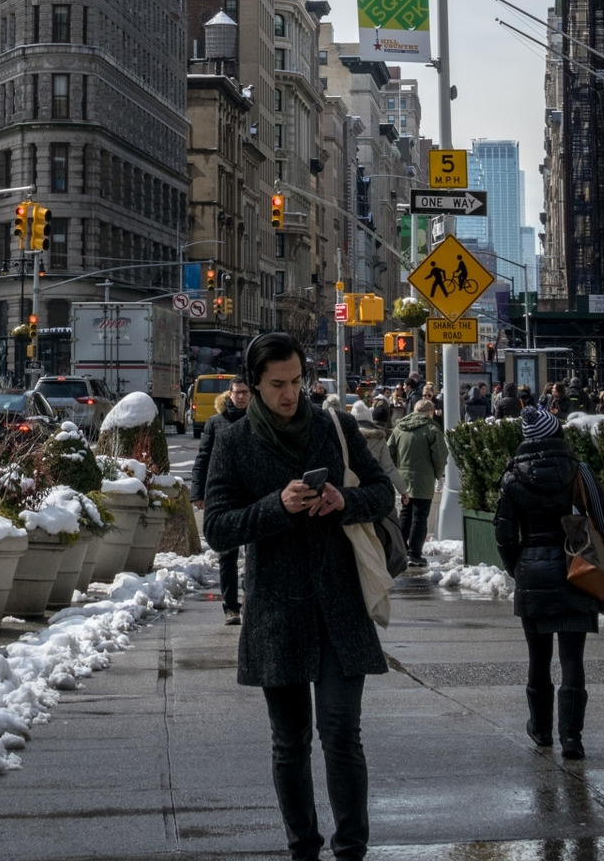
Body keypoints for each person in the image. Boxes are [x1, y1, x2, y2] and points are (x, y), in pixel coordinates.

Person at [203, 331, 393, 861]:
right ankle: (302, 848)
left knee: (341, 733)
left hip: (339, 604)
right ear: (254, 386)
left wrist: (344, 499)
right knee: (290, 744)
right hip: (276, 612)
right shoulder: (234, 441)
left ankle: (351, 848)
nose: (291, 395)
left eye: (298, 382)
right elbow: (217, 528)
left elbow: (381, 491)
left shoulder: (335, 425)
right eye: (278, 385)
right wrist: (276, 507)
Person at [494, 401, 604, 756]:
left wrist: (518, 567)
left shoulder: (512, 477)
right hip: (579, 573)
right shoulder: (579, 471)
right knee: (573, 658)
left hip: (532, 572)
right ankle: (572, 737)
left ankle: (540, 729)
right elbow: (602, 521)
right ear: (556, 434)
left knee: (537, 657)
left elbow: (504, 534)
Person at [192, 375, 251, 625]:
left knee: (255, 550)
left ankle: (252, 597)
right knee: (227, 553)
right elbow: (203, 458)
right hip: (225, 496)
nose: (240, 397)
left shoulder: (258, 422)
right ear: (229, 393)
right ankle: (230, 607)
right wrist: (198, 493)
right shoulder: (216, 423)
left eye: (244, 393)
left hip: (251, 494)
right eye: (236, 392)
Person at [388, 396, 447, 566]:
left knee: (405, 513)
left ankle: (400, 549)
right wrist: (437, 474)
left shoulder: (399, 428)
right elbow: (440, 456)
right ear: (429, 412)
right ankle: (414, 553)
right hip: (423, 478)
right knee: (420, 516)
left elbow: (389, 452)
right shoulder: (432, 430)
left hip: (403, 479)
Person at [353, 399, 405, 493]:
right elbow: (389, 467)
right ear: (369, 418)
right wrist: (403, 490)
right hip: (373, 485)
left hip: (352, 487)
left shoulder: (346, 437)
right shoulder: (379, 438)